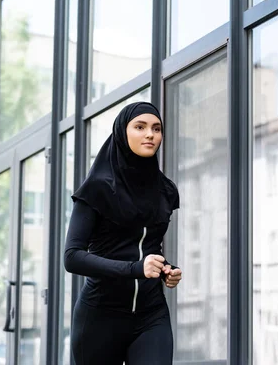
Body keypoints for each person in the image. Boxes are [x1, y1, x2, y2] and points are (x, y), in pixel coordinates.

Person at [64, 102, 182, 365]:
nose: (150, 134)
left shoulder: (165, 190)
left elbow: (147, 247)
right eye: (140, 127)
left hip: (151, 314)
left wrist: (166, 269)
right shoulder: (97, 188)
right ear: (122, 132)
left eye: (156, 128)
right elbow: (72, 257)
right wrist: (135, 268)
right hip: (100, 317)